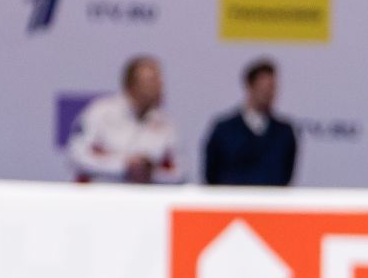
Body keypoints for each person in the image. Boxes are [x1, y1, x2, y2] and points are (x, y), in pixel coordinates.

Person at [67, 55, 182, 183]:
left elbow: (178, 172)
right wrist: (124, 165)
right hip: (100, 196)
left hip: (143, 199)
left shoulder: (165, 123)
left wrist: (150, 172)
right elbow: (77, 157)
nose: (159, 87)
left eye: (160, 81)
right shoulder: (100, 113)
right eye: (151, 81)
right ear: (131, 86)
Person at [201, 59, 298, 187]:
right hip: (232, 203)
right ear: (250, 86)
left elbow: (286, 173)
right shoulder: (224, 130)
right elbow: (211, 174)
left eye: (272, 88)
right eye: (263, 88)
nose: (268, 94)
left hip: (271, 203)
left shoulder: (284, 132)